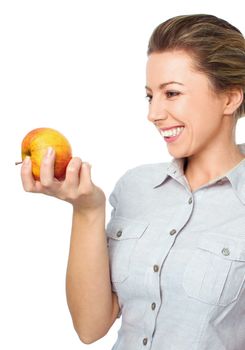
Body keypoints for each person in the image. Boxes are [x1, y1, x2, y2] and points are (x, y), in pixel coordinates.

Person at [20, 13, 245, 350]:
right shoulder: (135, 188)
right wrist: (87, 209)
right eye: (149, 96)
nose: (153, 114)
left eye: (171, 93)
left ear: (230, 98)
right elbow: (90, 327)